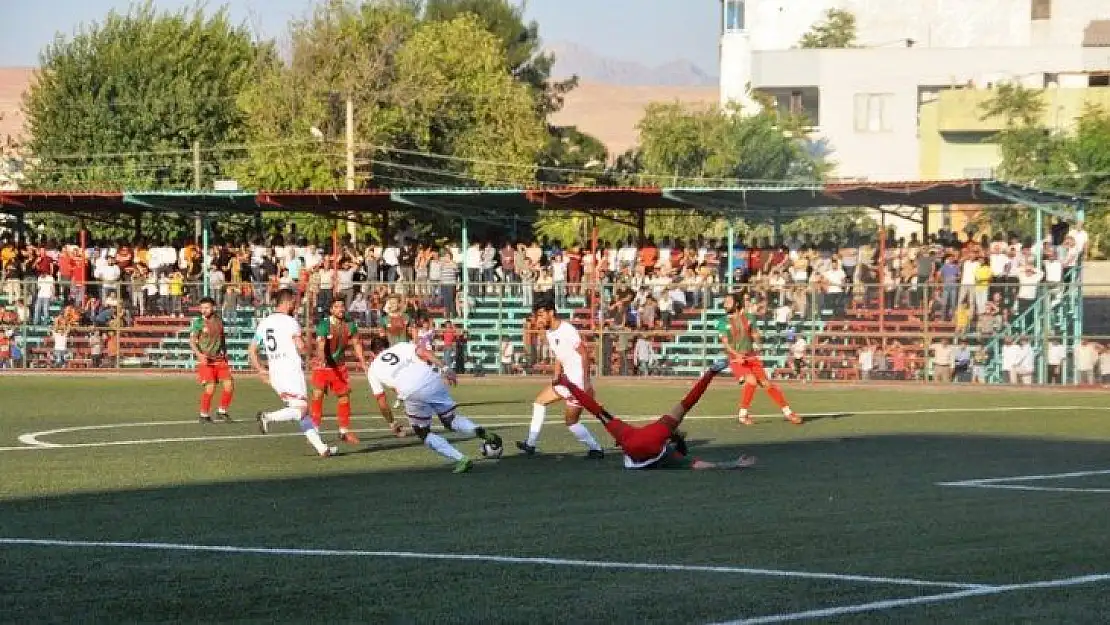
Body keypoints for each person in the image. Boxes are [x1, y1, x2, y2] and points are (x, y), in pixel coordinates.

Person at [553, 363, 756, 470]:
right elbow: (697, 464)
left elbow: (593, 407)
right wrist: (730, 465)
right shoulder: (662, 436)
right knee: (683, 411)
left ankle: (710, 372)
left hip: (633, 450)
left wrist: (568, 384)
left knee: (599, 412)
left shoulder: (654, 430)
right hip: (641, 452)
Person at [365, 336, 502, 474]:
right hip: (431, 378)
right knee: (451, 419)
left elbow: (381, 402)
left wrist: (392, 423)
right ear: (388, 345)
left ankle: (461, 458)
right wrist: (445, 368)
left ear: (373, 353)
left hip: (411, 391)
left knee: (423, 432)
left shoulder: (373, 369)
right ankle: (477, 430)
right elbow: (424, 352)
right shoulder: (400, 346)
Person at [250, 289, 337, 458]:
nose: (295, 306)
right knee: (301, 408)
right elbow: (301, 346)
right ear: (287, 302)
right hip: (290, 370)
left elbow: (252, 349)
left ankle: (322, 448)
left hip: (275, 371)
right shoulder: (290, 322)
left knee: (301, 412)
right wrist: (312, 351)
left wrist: (261, 369)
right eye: (294, 303)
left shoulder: (264, 322)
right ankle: (267, 417)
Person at [516, 297, 605, 458]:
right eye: (538, 315)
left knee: (571, 422)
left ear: (552, 313)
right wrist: (557, 374)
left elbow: (584, 353)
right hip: (565, 380)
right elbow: (559, 355)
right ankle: (530, 444)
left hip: (577, 384)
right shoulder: (550, 332)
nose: (539, 319)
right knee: (539, 402)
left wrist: (586, 384)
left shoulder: (567, 330)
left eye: (542, 315)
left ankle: (596, 449)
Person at [717, 292, 801, 426]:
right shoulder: (722, 321)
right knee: (751, 381)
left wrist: (758, 341)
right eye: (725, 302)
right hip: (735, 358)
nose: (725, 304)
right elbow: (725, 343)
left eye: (728, 301)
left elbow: (755, 333)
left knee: (767, 384)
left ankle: (788, 412)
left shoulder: (749, 318)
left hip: (751, 356)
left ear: (737, 303)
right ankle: (743, 415)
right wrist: (736, 355)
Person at [310, 299, 368, 445]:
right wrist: (323, 359)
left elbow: (356, 343)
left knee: (344, 398)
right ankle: (314, 430)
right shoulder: (324, 324)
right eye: (337, 307)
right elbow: (321, 345)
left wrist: (362, 361)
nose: (340, 309)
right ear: (331, 310)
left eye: (342, 306)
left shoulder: (350, 324)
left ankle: (343, 431)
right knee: (317, 395)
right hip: (323, 367)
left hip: (340, 366)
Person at [189, 297, 234, 423]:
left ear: (213, 308)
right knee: (210, 387)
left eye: (207, 307)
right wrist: (199, 355)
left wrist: (225, 351)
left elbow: (222, 337)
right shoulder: (198, 322)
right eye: (202, 308)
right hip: (206, 360)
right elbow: (192, 342)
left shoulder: (219, 320)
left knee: (229, 385)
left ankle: (222, 411)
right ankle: (204, 414)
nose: (204, 310)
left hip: (220, 359)